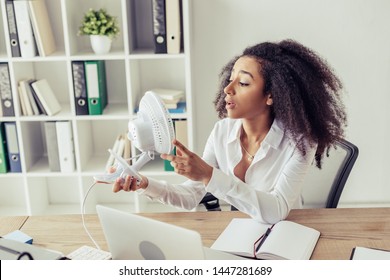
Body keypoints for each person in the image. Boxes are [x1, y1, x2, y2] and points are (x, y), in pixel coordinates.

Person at [112, 39, 347, 224]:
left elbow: (277, 210)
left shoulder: (301, 143)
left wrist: (208, 175)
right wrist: (144, 184)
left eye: (243, 83)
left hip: (285, 234)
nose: (227, 88)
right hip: (239, 229)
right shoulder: (222, 132)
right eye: (231, 78)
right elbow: (191, 196)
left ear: (271, 95)